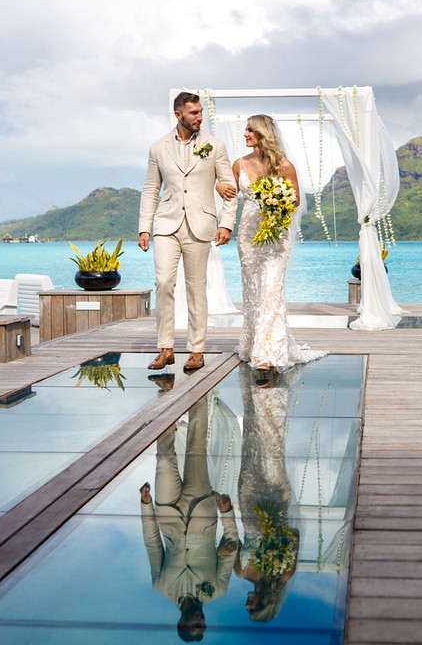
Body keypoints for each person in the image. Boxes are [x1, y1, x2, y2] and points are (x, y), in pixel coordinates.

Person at [139, 91, 237, 372]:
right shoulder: (157, 148)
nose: (199, 117)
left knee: (196, 289)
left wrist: (226, 223)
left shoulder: (214, 146)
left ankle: (196, 349)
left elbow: (229, 189)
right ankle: (166, 348)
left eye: (201, 112)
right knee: (163, 283)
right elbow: (150, 190)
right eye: (194, 113)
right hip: (166, 225)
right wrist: (144, 228)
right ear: (178, 114)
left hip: (201, 225)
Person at [233, 114, 325, 379]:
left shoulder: (285, 166)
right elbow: (229, 193)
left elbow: (295, 199)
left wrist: (276, 201)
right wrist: (219, 186)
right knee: (253, 289)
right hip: (248, 235)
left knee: (271, 288)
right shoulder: (239, 164)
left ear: (263, 133)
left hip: (276, 237)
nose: (245, 134)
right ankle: (253, 344)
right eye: (246, 130)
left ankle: (268, 353)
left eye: (250, 130)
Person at [140, 395, 239, 641]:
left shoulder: (161, 587)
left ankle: (166, 395)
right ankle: (199, 393)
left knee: (164, 457)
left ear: (183, 623)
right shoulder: (218, 589)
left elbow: (153, 544)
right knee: (196, 447)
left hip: (168, 512)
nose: (204, 622)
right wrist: (227, 513)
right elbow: (232, 545)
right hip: (202, 512)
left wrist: (146, 505)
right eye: (204, 626)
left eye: (198, 625)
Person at [234, 365, 301, 622]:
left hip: (249, 503)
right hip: (277, 505)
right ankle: (274, 389)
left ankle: (255, 391)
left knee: (250, 446)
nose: (247, 605)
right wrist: (274, 540)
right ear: (266, 603)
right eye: (253, 608)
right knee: (273, 451)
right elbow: (294, 535)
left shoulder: (242, 572)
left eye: (247, 609)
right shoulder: (285, 574)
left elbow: (229, 542)